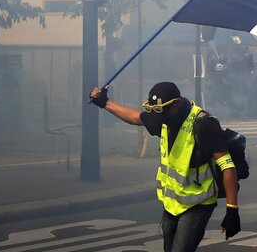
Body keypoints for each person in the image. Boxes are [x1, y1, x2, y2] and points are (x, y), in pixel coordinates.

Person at [89, 82, 241, 251]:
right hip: (172, 203)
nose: (157, 117)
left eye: (161, 111)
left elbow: (227, 166)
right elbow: (135, 117)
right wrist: (105, 102)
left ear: (177, 103)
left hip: (198, 203)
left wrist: (232, 209)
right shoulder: (162, 115)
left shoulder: (203, 124)